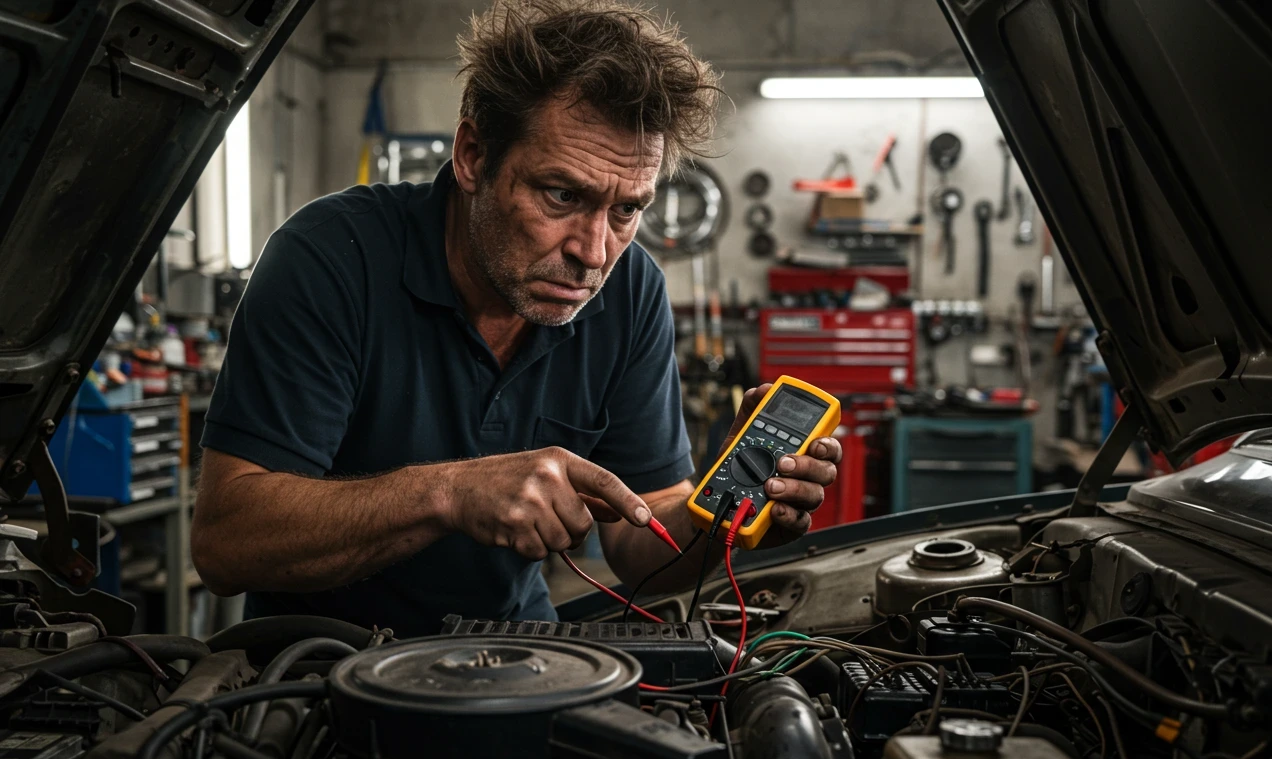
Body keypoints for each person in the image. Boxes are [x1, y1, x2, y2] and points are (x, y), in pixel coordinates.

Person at [190, 0, 842, 636]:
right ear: (473, 155)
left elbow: (639, 538)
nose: (593, 253)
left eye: (625, 211)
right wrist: (448, 492)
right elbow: (227, 542)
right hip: (313, 677)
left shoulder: (631, 289)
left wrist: (721, 519)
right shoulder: (332, 257)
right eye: (561, 194)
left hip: (517, 661)